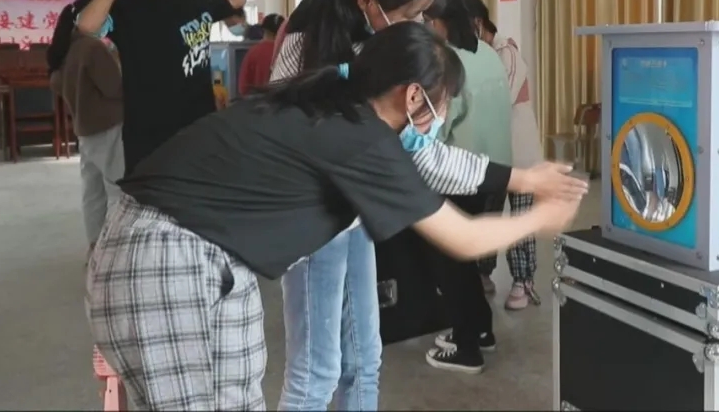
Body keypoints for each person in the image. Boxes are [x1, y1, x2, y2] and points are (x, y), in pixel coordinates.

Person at [85, 22, 584, 411]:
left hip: (159, 253)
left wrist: (524, 179)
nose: (442, 120)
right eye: (443, 104)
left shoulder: (330, 103)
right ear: (413, 95)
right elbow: (464, 238)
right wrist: (541, 218)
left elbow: (435, 164)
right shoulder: (362, 138)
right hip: (171, 265)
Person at [271, 0, 586, 411]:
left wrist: (523, 178)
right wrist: (537, 211)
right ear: (368, 2)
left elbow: (426, 154)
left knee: (365, 356)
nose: (418, 24)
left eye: (424, 13)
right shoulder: (310, 51)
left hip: (351, 216)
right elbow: (459, 229)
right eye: (411, 13)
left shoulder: (378, 52)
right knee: (317, 371)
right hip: (307, 220)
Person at [75, 0, 248, 175]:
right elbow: (87, 27)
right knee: (152, 192)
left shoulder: (192, 4)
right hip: (150, 131)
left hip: (198, 125)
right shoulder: (125, 9)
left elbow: (237, 0)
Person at [422, 0, 513, 373]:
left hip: (463, 177)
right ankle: (481, 330)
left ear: (438, 21)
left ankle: (465, 347)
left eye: (426, 19)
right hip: (497, 174)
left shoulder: (448, 62)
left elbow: (438, 129)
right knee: (466, 259)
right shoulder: (488, 53)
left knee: (450, 263)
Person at [464, 0, 544, 310]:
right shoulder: (479, 55)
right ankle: (483, 272)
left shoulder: (507, 52)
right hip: (494, 152)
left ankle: (523, 281)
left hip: (519, 153)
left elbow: (500, 99)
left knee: (520, 217)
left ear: (477, 22)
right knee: (489, 213)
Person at [47, 1, 124, 257]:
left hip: (85, 129)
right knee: (117, 190)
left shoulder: (67, 48)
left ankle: (95, 248)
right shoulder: (93, 48)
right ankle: (115, 253)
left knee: (93, 192)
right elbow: (115, 88)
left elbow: (57, 83)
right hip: (109, 125)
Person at [239, 13, 285, 96]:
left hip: (258, 102)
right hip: (282, 102)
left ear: (263, 30)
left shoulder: (253, 52)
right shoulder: (286, 51)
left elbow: (243, 88)